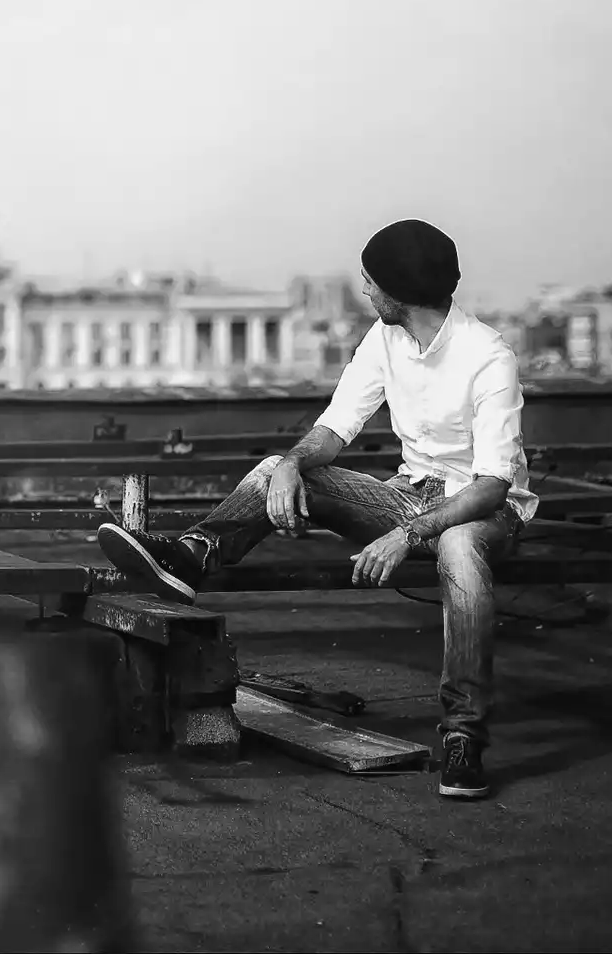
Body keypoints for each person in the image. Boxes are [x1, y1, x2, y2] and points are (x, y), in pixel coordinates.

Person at [96, 219, 537, 799]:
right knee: (274, 468)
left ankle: (463, 737)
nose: (365, 291)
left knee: (458, 545)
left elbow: (493, 486)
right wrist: (291, 464)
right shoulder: (385, 341)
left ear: (398, 292)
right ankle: (189, 557)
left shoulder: (488, 356)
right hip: (412, 493)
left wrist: (408, 533)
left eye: (371, 282)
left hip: (482, 512)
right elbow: (337, 426)